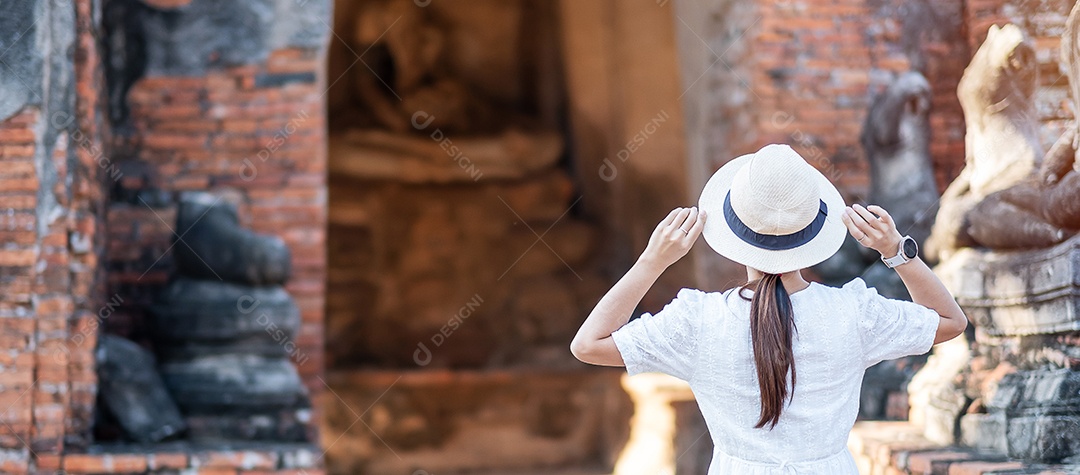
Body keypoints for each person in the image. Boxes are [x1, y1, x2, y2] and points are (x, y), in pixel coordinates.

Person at [570, 144, 967, 474]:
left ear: (732, 225)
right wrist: (898, 252)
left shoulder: (697, 321)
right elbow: (951, 321)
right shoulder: (854, 312)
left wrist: (652, 261)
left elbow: (588, 344)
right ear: (813, 226)